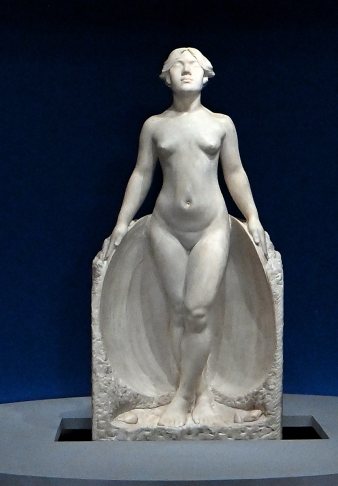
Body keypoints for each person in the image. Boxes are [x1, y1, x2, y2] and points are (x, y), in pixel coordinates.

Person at [102, 48, 269, 428]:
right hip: (167, 226)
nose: (186, 69)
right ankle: (201, 397)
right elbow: (142, 173)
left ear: (207, 75)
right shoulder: (155, 126)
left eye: (193, 64)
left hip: (211, 225)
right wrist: (122, 221)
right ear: (166, 76)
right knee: (179, 311)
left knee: (197, 310)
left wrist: (253, 217)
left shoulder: (221, 124)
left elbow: (235, 171)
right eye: (178, 64)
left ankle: (182, 399)